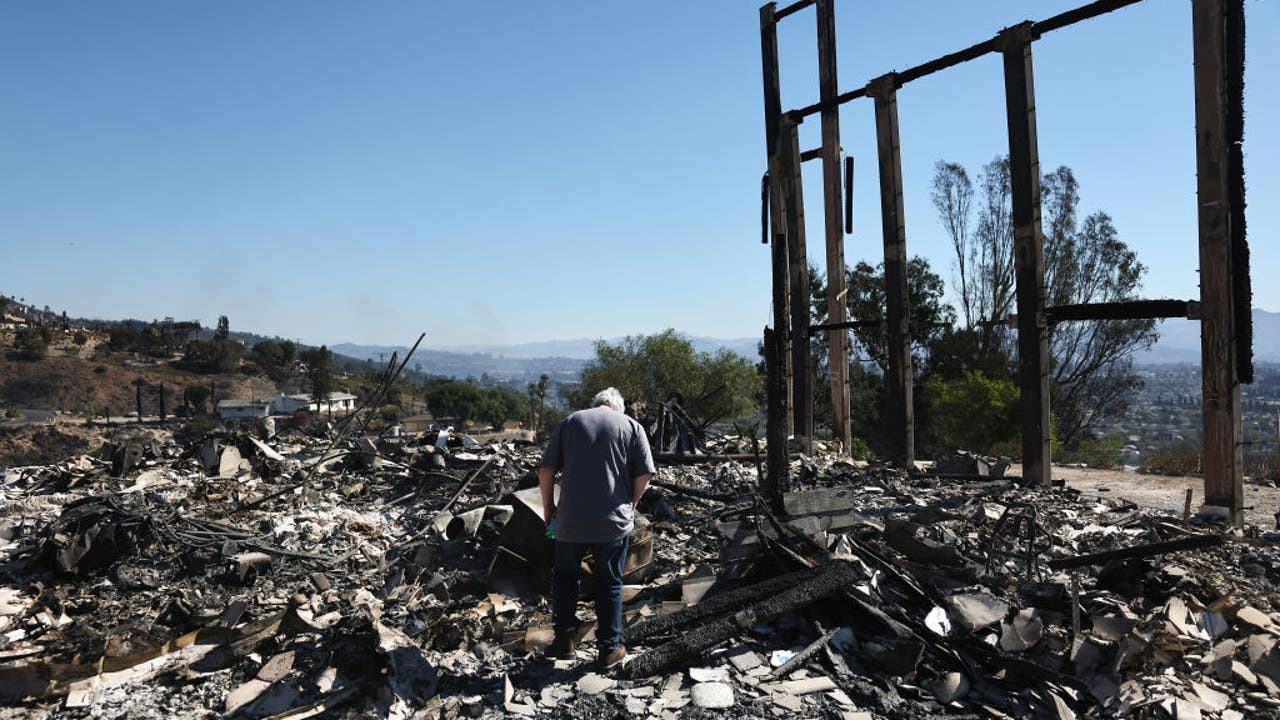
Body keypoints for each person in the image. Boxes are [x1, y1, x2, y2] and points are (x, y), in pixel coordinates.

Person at [539, 387, 654, 670]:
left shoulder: (570, 422)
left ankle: (564, 642)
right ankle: (608, 649)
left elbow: (545, 471)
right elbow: (645, 473)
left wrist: (548, 509)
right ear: (618, 407)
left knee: (565, 578)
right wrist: (632, 504)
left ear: (596, 405)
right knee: (610, 582)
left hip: (570, 520)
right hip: (612, 521)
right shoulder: (631, 426)